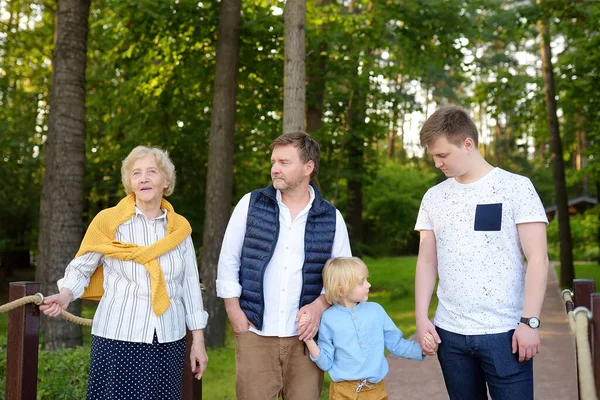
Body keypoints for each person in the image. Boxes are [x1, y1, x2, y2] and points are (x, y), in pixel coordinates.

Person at [40, 146, 209, 400]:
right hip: (117, 337)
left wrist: (198, 341)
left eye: (152, 171)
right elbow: (81, 268)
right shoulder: (108, 221)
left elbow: (190, 287)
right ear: (129, 182)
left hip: (168, 339)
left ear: (166, 180)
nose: (144, 178)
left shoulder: (179, 230)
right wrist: (65, 295)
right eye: (136, 173)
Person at [414, 106, 549, 400]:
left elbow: (538, 258)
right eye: (434, 156)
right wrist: (422, 317)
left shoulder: (516, 188)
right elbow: (426, 260)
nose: (437, 163)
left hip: (506, 333)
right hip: (450, 336)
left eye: (443, 155)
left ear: (467, 143)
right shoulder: (434, 197)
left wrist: (530, 322)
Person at [216, 131, 352, 399]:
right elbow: (228, 260)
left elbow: (343, 279)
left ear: (308, 167)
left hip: (306, 341)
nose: (275, 169)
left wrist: (318, 306)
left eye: (284, 162)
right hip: (255, 332)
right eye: (273, 162)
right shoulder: (251, 204)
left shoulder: (331, 218)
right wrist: (234, 313)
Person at [303, 257, 427, 399]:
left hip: (376, 390)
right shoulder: (328, 319)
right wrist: (309, 340)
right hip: (342, 392)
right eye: (361, 282)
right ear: (341, 291)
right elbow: (326, 363)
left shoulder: (376, 311)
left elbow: (396, 344)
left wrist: (422, 350)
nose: (368, 285)